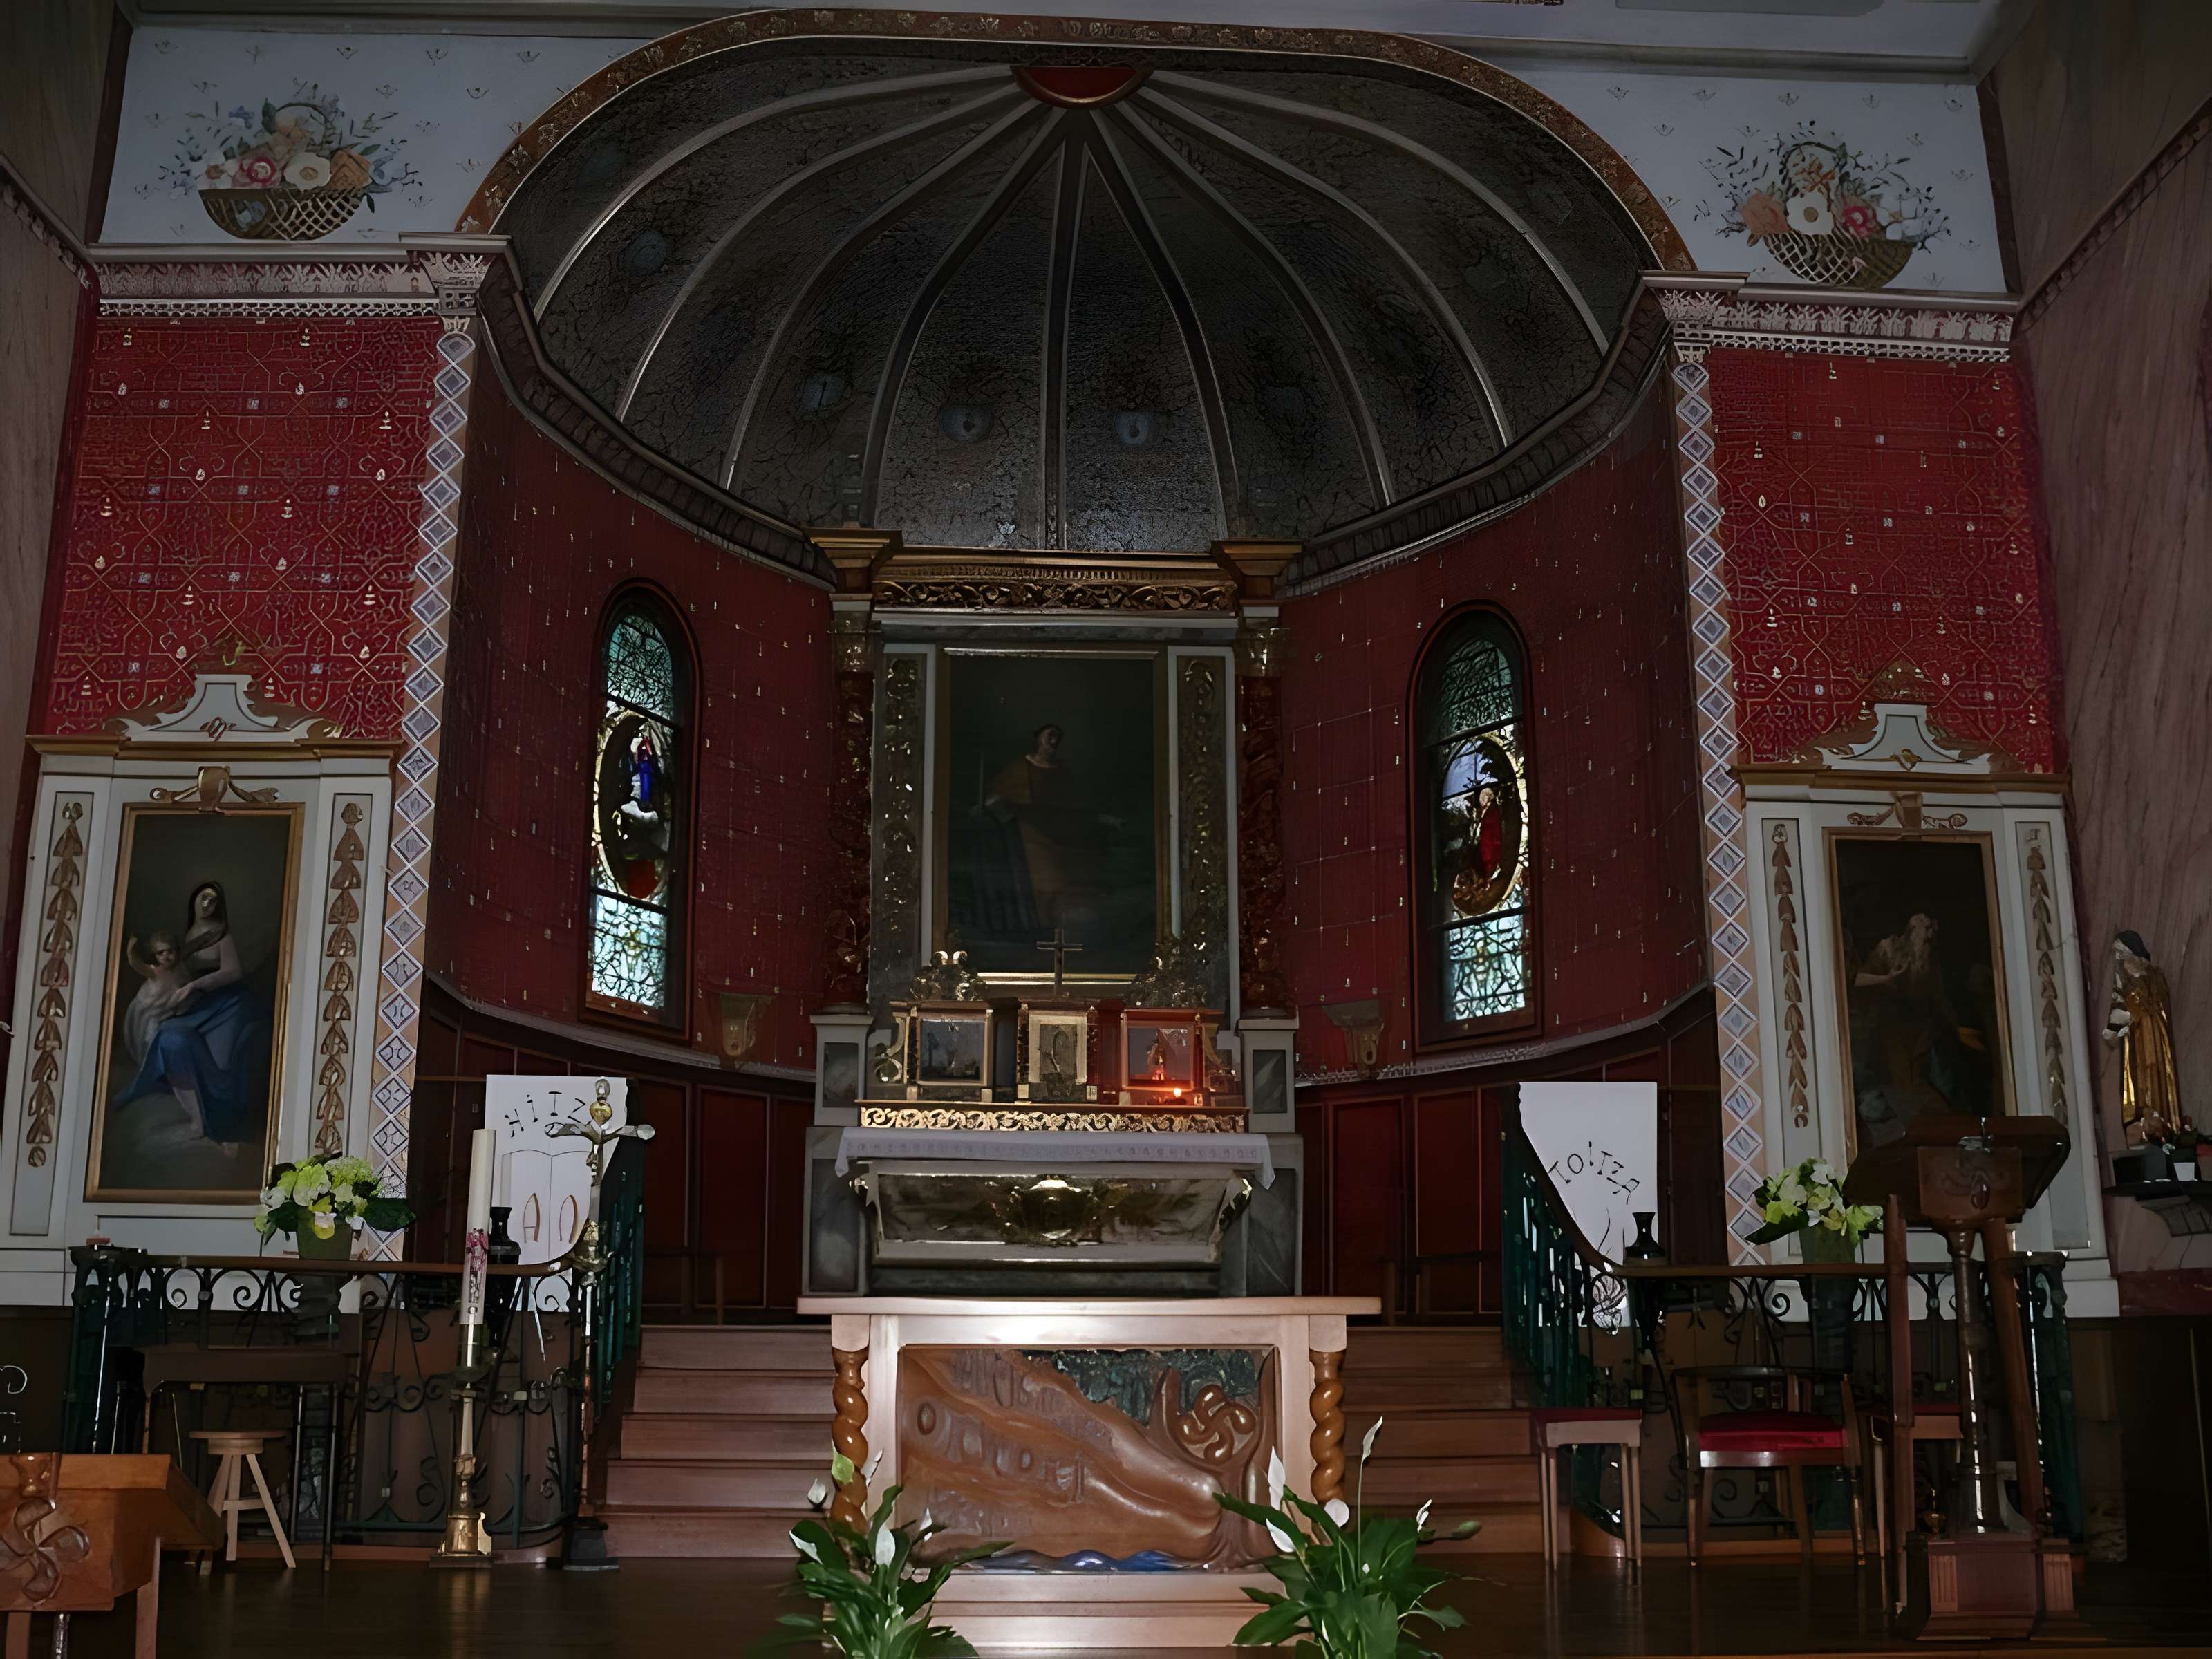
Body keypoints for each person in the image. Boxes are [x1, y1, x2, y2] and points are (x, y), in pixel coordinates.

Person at [115, 881, 274, 1158]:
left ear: (219, 904)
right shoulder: (190, 936)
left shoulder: (222, 936)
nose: (206, 905)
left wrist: (193, 988)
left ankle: (225, 1131)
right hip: (199, 1006)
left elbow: (233, 972)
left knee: (220, 1067)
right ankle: (197, 1121)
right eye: (203, 898)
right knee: (170, 1040)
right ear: (194, 901)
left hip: (227, 1005)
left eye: (212, 900)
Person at [2105, 930, 2180, 1138]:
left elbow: (2119, 1005)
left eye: (2120, 950)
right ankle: (2156, 1118)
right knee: (2151, 1073)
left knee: (2147, 1072)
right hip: (2154, 1031)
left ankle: (2151, 1119)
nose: (2118, 956)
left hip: (2143, 1030)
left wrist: (2111, 1032)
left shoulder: (2126, 971)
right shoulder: (2155, 973)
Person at [122, 932, 189, 1066]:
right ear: (155, 955)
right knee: (150, 1040)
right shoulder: (155, 971)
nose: (166, 956)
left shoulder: (180, 970)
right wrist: (131, 950)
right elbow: (136, 963)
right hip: (149, 1012)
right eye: (161, 953)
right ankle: (149, 1066)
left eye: (170, 951)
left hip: (168, 1012)